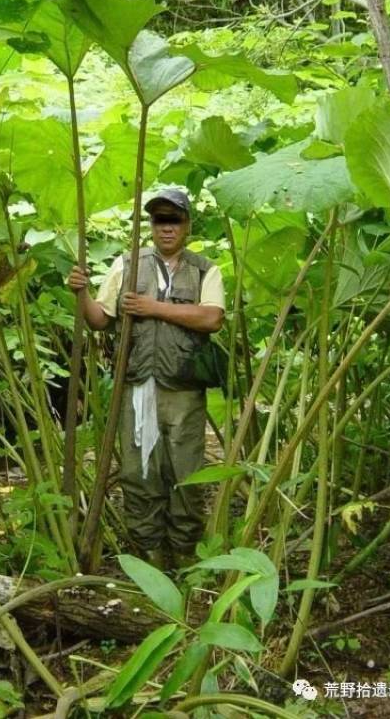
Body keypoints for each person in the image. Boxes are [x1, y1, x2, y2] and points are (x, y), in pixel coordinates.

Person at [68, 188, 225, 570]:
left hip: (184, 389)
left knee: (186, 473)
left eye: (174, 219)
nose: (166, 227)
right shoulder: (127, 265)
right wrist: (81, 292)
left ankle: (186, 556)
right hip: (137, 384)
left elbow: (212, 318)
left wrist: (153, 308)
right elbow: (100, 320)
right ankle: (149, 555)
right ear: (151, 226)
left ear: (187, 225)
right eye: (159, 220)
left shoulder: (205, 269)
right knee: (139, 474)